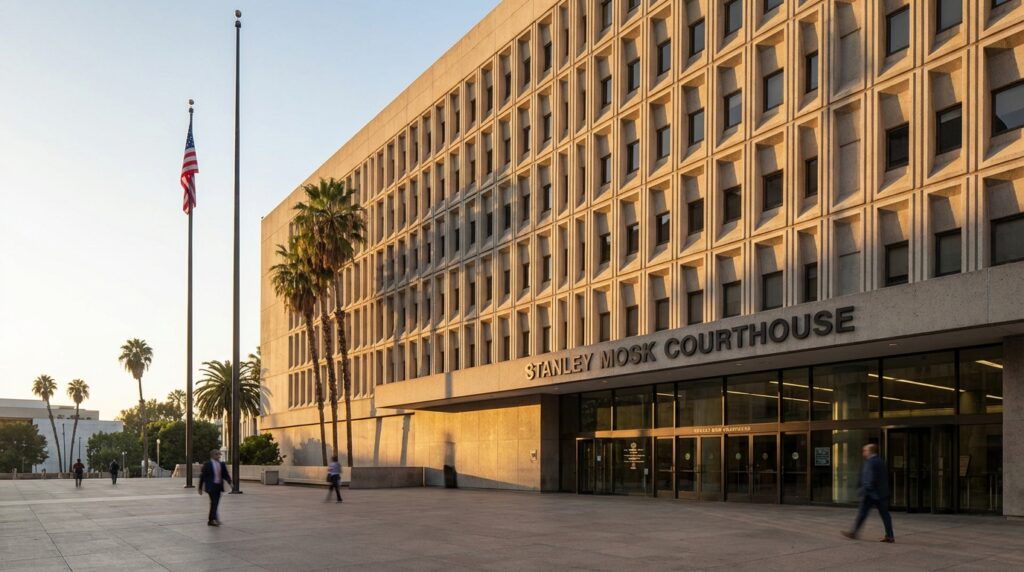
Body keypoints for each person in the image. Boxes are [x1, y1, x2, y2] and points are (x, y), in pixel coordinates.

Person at [842, 443, 895, 543]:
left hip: (870, 494)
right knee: (885, 515)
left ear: (870, 451)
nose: (863, 452)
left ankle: (853, 533)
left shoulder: (870, 462)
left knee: (862, 514)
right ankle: (890, 536)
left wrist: (865, 490)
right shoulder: (880, 461)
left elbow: (868, 478)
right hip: (882, 494)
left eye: (865, 450)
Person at [198, 449, 232, 526]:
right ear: (212, 455)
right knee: (214, 503)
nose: (219, 456)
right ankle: (213, 519)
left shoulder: (222, 464)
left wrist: (230, 482)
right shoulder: (207, 464)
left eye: (219, 454)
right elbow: (202, 476)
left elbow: (225, 474)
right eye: (217, 454)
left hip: (218, 486)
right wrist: (200, 488)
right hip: (211, 486)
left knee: (214, 503)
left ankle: (211, 520)